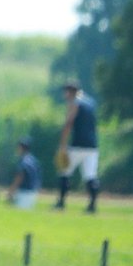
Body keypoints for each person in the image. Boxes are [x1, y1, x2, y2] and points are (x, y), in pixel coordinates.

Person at [54, 80, 99, 213]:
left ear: (71, 92)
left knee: (65, 172)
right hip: (92, 146)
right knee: (90, 176)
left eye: (66, 91)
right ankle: (92, 205)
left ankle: (61, 202)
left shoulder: (74, 103)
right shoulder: (91, 102)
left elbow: (68, 124)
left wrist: (62, 145)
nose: (65, 94)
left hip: (77, 145)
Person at [6, 136, 41, 209]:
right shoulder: (33, 160)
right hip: (33, 193)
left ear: (21, 148)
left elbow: (20, 176)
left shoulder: (23, 160)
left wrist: (11, 191)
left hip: (24, 193)